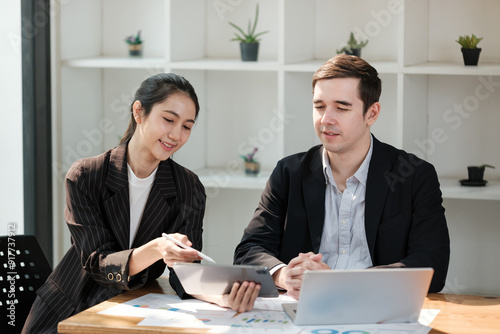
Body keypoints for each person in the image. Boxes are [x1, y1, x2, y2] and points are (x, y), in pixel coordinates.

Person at [23, 73, 258, 334]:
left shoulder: (188, 187)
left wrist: (220, 296)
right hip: (70, 311)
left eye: (187, 126)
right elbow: (99, 265)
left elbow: (185, 274)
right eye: (168, 120)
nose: (176, 134)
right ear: (139, 112)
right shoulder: (86, 176)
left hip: (132, 313)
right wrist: (158, 248)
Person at [234, 55, 450, 299]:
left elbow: (432, 266)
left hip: (377, 306)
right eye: (319, 106)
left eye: (341, 107)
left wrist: (338, 282)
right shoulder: (288, 173)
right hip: (301, 309)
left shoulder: (414, 176)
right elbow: (249, 250)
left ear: (372, 113)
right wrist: (286, 276)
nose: (326, 119)